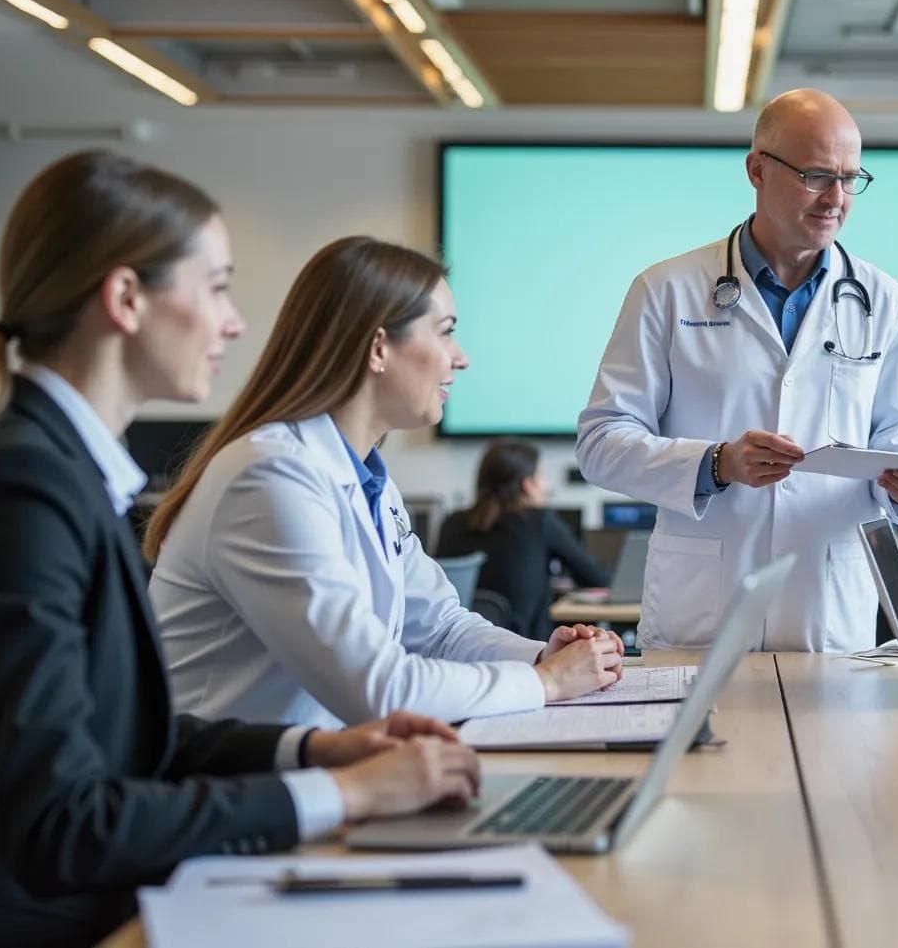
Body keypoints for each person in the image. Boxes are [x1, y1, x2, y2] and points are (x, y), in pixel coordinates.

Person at [0, 153, 478, 948]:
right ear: (127, 299)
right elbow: (62, 820)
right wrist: (349, 794)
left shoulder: (52, 469)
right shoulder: (19, 489)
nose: (234, 322)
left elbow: (126, 740)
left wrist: (318, 749)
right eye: (218, 286)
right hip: (12, 920)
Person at [145, 236, 622, 728]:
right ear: (378, 348)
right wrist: (547, 684)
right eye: (445, 333)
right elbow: (380, 689)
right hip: (231, 786)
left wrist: (541, 657)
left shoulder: (366, 477)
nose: (460, 358)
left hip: (312, 771)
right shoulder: (269, 479)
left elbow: (439, 628)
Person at [576, 88, 898, 653]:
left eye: (851, 179)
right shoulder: (666, 290)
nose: (836, 198)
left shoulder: (885, 301)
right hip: (703, 613)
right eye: (817, 175)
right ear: (757, 169)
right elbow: (601, 442)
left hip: (828, 608)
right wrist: (716, 463)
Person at [435, 438, 610, 638]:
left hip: (459, 651)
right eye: (542, 476)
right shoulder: (539, 521)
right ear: (528, 484)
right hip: (526, 654)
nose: (546, 484)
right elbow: (596, 577)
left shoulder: (451, 522)